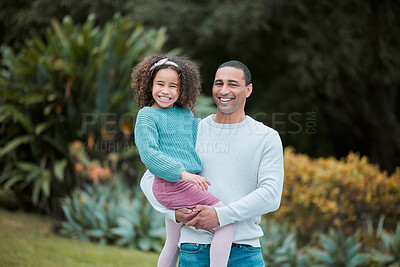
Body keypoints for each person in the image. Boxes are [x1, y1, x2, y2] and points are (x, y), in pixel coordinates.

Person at [140, 59, 284, 267]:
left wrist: (221, 215)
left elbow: (271, 195)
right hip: (193, 250)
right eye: (218, 83)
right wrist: (172, 213)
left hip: (245, 252)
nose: (224, 90)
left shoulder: (266, 137)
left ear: (248, 89)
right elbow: (150, 177)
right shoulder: (192, 129)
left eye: (233, 84)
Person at [132, 53, 237, 267]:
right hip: (172, 185)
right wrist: (182, 173)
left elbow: (199, 134)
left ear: (181, 90)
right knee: (226, 222)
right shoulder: (146, 116)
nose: (166, 91)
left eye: (173, 86)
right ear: (149, 85)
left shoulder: (185, 114)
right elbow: (150, 155)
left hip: (182, 184)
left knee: (173, 241)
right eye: (160, 84)